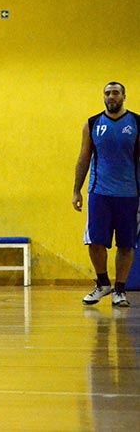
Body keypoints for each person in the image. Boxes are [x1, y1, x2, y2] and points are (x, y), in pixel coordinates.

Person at [73, 81, 140, 308]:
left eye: (115, 93)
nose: (111, 96)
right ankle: (103, 284)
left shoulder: (136, 123)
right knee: (95, 242)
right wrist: (76, 190)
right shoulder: (92, 123)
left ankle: (119, 291)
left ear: (123, 96)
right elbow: (83, 158)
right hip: (99, 193)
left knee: (126, 245)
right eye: (107, 93)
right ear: (103, 97)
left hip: (129, 194)